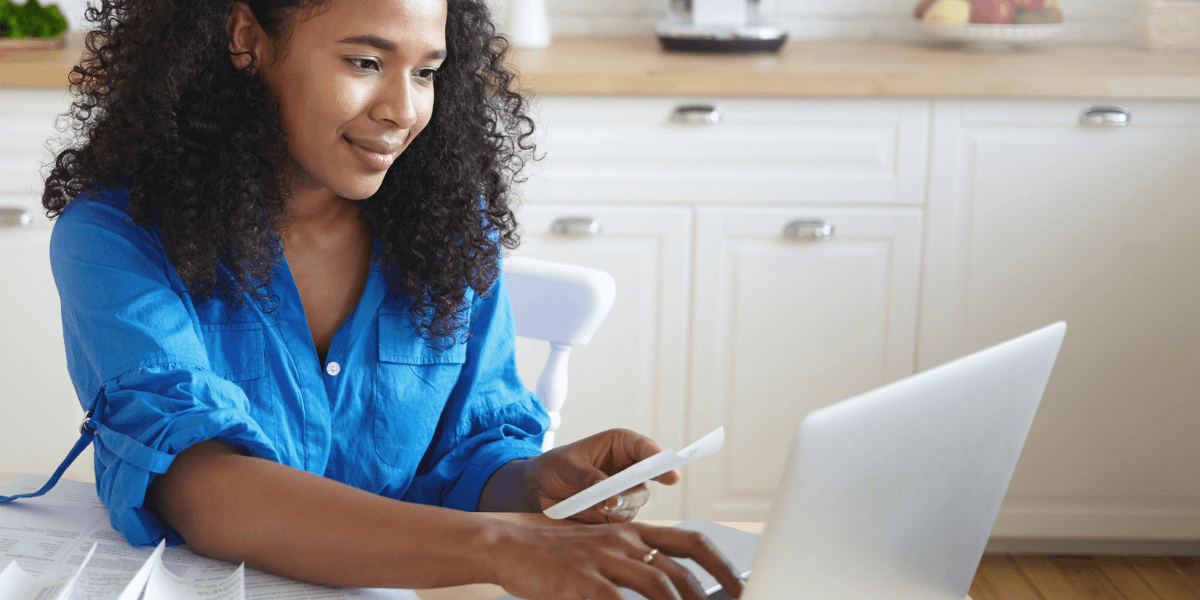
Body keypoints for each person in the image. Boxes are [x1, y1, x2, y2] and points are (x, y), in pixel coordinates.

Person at [37, 0, 745, 599]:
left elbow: (467, 458)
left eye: (427, 72)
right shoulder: (114, 237)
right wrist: (501, 545)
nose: (404, 110)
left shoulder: (446, 230)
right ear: (248, 38)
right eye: (365, 62)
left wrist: (532, 484)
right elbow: (204, 489)